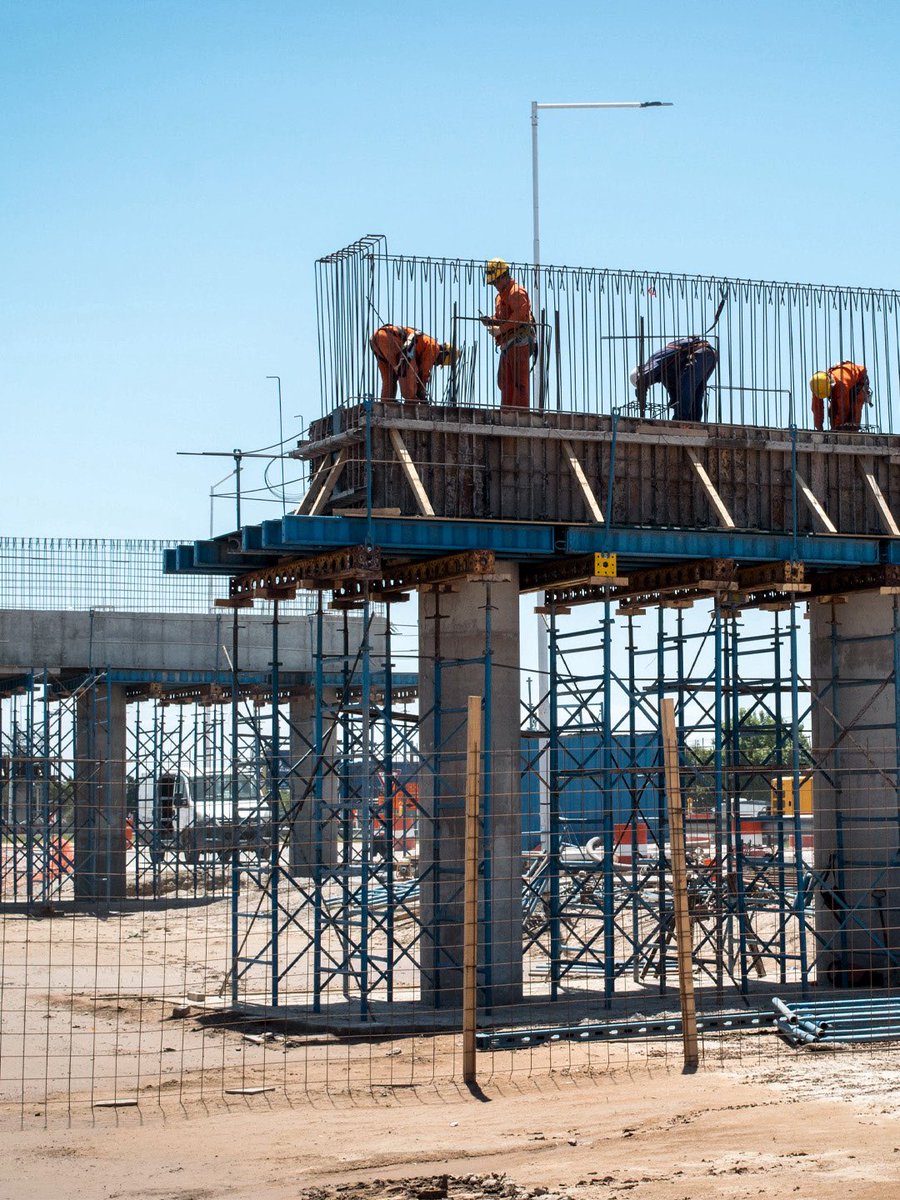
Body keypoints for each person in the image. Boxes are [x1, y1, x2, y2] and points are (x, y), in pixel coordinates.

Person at [480, 258, 535, 409]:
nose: (495, 286)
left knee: (519, 384)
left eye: (496, 282)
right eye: (493, 283)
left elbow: (520, 316)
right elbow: (502, 317)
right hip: (508, 345)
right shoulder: (500, 297)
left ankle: (520, 414)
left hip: (520, 342)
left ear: (504, 276)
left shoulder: (517, 292)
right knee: (504, 381)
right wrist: (491, 321)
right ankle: (506, 412)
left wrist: (500, 330)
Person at [630, 337, 719, 422]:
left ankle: (680, 421)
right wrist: (674, 402)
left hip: (700, 353)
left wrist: (641, 397)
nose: (650, 384)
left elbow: (643, 378)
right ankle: (693, 421)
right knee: (696, 392)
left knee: (686, 385)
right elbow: (674, 390)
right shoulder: (663, 374)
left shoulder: (652, 362)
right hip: (708, 356)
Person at [369, 324, 458, 402]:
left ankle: (386, 403)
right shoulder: (434, 347)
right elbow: (424, 372)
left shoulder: (425, 342)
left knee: (390, 378)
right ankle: (412, 405)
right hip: (390, 338)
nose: (436, 364)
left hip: (376, 338)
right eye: (439, 362)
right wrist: (421, 392)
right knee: (409, 371)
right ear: (444, 353)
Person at [810, 362, 871, 432]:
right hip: (844, 382)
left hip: (859, 381)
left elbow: (843, 409)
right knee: (832, 411)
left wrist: (836, 429)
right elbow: (817, 410)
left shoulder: (841, 386)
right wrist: (819, 429)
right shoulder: (817, 386)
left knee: (853, 413)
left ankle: (853, 433)